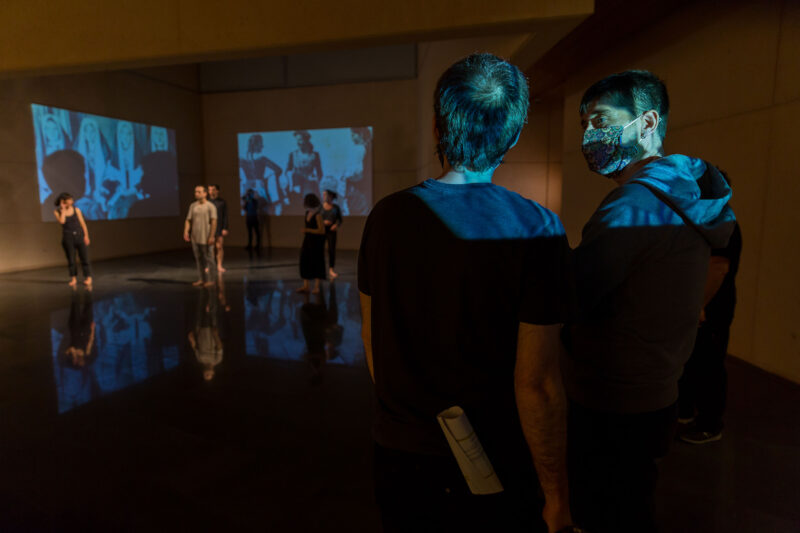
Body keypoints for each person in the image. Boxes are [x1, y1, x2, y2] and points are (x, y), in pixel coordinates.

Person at [358, 53, 574, 533]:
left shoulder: (386, 218)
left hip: (399, 456)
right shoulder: (536, 227)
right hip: (495, 460)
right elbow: (536, 383)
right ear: (513, 136)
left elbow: (374, 343)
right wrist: (557, 495)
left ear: (437, 128)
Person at [564, 70, 736, 532]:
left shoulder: (633, 206)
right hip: (658, 387)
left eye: (599, 119)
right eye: (584, 124)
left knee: (603, 512)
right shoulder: (684, 195)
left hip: (610, 398)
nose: (589, 135)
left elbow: (573, 296)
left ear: (647, 122)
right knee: (634, 503)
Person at [678, 172, 742, 444]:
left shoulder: (721, 221)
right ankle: (689, 413)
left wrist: (699, 305)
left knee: (709, 364)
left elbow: (718, 267)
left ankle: (709, 423)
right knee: (694, 360)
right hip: (700, 306)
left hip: (710, 308)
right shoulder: (707, 219)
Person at [53, 192, 93, 287]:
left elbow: (83, 224)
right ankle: (73, 278)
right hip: (68, 237)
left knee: (84, 257)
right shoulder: (57, 212)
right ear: (64, 201)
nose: (72, 201)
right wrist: (62, 209)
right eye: (70, 199)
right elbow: (62, 221)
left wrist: (86, 236)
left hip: (79, 236)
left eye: (71, 199)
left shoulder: (76, 210)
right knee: (71, 259)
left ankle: (88, 277)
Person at [184, 185, 218, 287]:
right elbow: (188, 220)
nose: (196, 194)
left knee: (209, 258)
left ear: (205, 193)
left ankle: (211, 279)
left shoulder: (210, 206)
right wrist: (186, 231)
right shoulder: (193, 206)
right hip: (195, 237)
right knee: (198, 258)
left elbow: (214, 221)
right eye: (195, 192)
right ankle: (202, 279)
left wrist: (211, 236)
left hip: (206, 237)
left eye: (198, 192)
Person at [298, 193, 326, 294]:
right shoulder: (307, 213)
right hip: (308, 241)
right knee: (305, 260)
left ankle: (316, 287)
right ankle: (306, 286)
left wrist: (308, 230)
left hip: (316, 243)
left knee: (316, 262)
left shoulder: (318, 215)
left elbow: (321, 231)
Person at [286, 130, 323, 200]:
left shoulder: (315, 155)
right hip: (295, 183)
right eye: (297, 140)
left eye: (300, 140)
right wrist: (291, 184)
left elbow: (320, 173)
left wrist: (315, 179)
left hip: (309, 184)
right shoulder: (293, 155)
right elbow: (288, 171)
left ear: (306, 140)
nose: (298, 143)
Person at [321, 189, 343, 279]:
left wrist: (335, 225)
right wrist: (323, 222)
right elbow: (317, 219)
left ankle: (331, 269)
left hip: (332, 231)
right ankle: (321, 270)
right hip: (321, 231)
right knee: (320, 251)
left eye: (325, 194)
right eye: (323, 195)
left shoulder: (335, 207)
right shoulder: (320, 207)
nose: (324, 196)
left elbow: (340, 220)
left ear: (330, 196)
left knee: (331, 250)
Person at [208, 184, 230, 273]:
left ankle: (219, 265)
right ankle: (210, 265)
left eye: (213, 190)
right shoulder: (207, 202)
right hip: (209, 228)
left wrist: (225, 228)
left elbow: (225, 216)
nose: (211, 191)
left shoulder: (222, 202)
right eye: (209, 190)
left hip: (219, 227)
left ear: (217, 191)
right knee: (210, 247)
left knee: (219, 247)